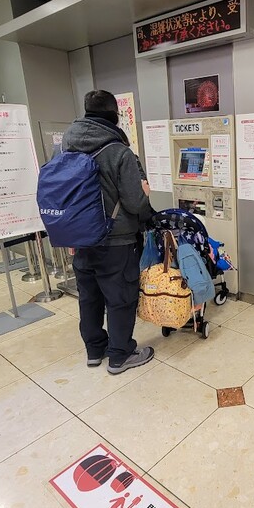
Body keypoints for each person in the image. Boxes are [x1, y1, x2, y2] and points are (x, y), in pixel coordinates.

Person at [61, 90, 155, 375]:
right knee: (120, 298)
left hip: (80, 237)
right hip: (116, 241)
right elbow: (134, 203)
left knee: (89, 297)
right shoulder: (119, 151)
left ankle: (95, 350)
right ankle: (120, 355)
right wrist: (145, 193)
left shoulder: (65, 147)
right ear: (115, 115)